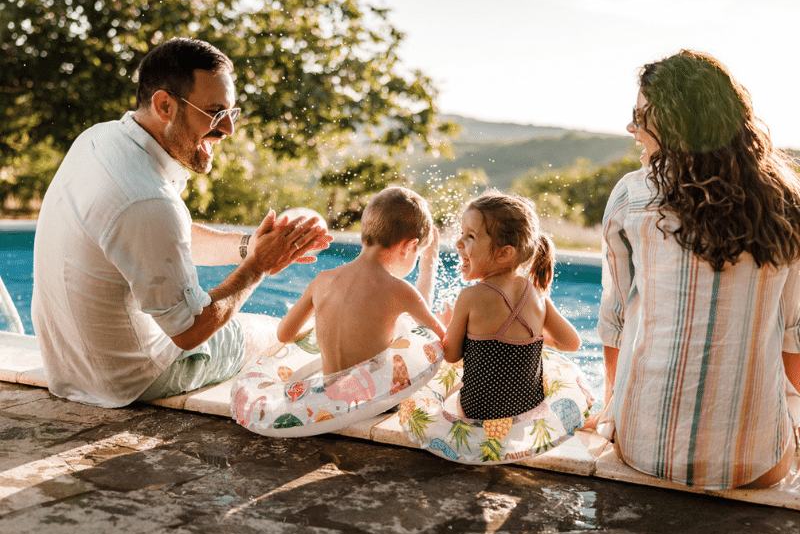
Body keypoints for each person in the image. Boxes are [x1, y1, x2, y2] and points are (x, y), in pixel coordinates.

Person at [31, 37, 331, 408]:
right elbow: (190, 332)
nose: (228, 131)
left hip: (70, 370)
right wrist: (257, 267)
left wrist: (247, 246)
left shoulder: (100, 140)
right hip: (132, 379)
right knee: (277, 333)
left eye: (231, 114)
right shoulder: (147, 200)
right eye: (215, 113)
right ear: (165, 105)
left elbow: (165, 239)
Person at [597, 49, 800, 490]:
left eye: (640, 116)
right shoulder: (786, 202)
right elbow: (793, 332)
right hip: (755, 464)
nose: (631, 128)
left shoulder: (633, 195)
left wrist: (610, 407)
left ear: (672, 122)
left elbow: (614, 319)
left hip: (644, 450)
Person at [440, 190, 580, 420]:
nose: (458, 242)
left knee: (446, 385)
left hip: (477, 413)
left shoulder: (470, 296)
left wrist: (450, 327)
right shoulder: (538, 295)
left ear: (504, 253)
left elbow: (451, 355)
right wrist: (531, 339)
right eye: (461, 233)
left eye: (471, 237)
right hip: (526, 413)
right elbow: (571, 343)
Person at [276, 187, 445, 376]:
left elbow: (284, 334)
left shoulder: (322, 280)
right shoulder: (400, 291)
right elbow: (442, 342)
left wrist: (318, 332)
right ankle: (430, 265)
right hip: (374, 404)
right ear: (409, 246)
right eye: (419, 254)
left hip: (326, 400)